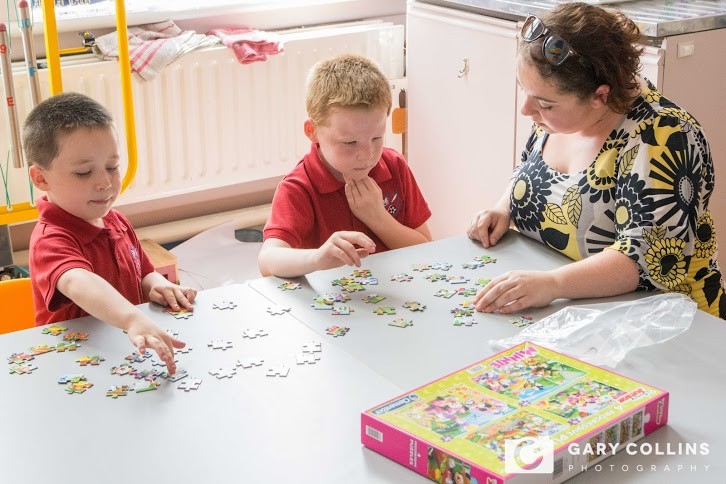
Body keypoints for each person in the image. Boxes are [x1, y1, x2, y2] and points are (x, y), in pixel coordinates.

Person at [467, 2, 724, 319]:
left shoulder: (666, 136)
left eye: (544, 104)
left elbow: (646, 260)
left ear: (600, 96)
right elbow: (534, 175)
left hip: (669, 322)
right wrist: (503, 208)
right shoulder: (555, 118)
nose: (526, 110)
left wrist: (552, 284)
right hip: (573, 314)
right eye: (525, 90)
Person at [23, 92, 197, 373]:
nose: (105, 182)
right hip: (75, 369)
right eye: (84, 173)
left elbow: (143, 273)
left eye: (112, 167)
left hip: (128, 356)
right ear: (41, 178)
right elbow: (78, 281)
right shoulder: (49, 238)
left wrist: (156, 285)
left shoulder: (116, 221)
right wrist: (131, 318)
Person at [259, 53, 432, 277]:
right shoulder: (299, 187)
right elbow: (267, 261)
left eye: (377, 138)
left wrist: (378, 218)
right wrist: (317, 258)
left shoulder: (394, 165)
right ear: (312, 131)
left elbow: (427, 249)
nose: (367, 155)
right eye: (350, 143)